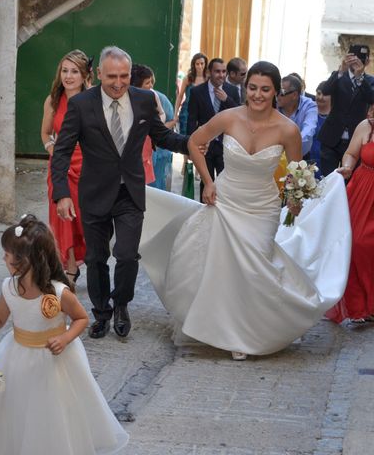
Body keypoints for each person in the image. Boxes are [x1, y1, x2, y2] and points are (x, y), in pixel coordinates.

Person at [139, 61, 351, 361]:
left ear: (276, 92)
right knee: (224, 266)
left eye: (265, 89)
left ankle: (251, 331)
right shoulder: (228, 117)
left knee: (253, 266)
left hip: (262, 208)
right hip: (226, 199)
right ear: (245, 87)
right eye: (252, 88)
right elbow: (195, 142)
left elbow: (295, 171)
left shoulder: (287, 129)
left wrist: (294, 197)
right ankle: (225, 330)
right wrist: (208, 182)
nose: (257, 95)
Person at [51, 46, 191, 340]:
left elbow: (162, 136)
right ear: (99, 74)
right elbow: (62, 151)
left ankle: (122, 305)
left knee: (127, 255)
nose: (118, 83)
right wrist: (62, 193)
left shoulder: (143, 100)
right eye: (111, 76)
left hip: (130, 193)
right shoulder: (82, 104)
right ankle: (101, 313)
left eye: (124, 76)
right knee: (96, 258)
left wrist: (192, 144)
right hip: (94, 193)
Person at [0, 215, 129, 455]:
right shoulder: (9, 287)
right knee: (20, 411)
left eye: (7, 254)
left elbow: (81, 318)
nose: (3, 257)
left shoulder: (58, 292)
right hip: (17, 359)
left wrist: (64, 338)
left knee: (52, 414)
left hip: (53, 364)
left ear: (25, 261)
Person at [41, 50, 91, 284]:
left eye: (74, 71)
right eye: (64, 70)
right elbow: (45, 133)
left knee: (83, 218)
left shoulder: (94, 100)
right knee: (64, 218)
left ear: (84, 76)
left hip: (88, 166)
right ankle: (70, 267)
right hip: (61, 168)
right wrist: (54, 151)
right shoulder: (52, 100)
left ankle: (86, 259)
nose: (68, 76)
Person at [326, 118, 374, 324]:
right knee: (357, 244)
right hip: (364, 191)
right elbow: (352, 153)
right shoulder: (367, 126)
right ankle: (360, 305)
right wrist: (347, 166)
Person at [187, 57, 241, 197]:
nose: (221, 75)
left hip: (226, 146)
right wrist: (188, 147)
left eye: (224, 72)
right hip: (205, 147)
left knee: (226, 185)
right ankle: (204, 214)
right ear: (209, 72)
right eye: (217, 71)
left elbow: (241, 115)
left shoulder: (232, 91)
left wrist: (226, 100)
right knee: (206, 183)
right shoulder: (197, 92)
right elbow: (192, 120)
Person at [318, 45, 374, 176]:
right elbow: (325, 90)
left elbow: (371, 98)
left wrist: (360, 77)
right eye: (353, 58)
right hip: (331, 137)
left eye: (360, 59)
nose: (356, 63)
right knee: (328, 179)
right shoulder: (338, 76)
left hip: (354, 140)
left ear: (367, 62)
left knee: (348, 180)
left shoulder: (370, 81)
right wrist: (341, 70)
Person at [130, 63, 173, 188]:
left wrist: (153, 126)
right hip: (134, 151)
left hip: (151, 151)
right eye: (147, 83)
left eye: (151, 82)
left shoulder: (156, 96)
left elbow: (167, 117)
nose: (151, 86)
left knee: (153, 188)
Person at [175, 53, 208, 199]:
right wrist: (175, 114)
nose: (200, 66)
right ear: (193, 65)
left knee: (201, 139)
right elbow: (180, 95)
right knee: (186, 137)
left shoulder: (208, 78)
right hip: (187, 111)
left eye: (202, 63)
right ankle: (186, 161)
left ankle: (198, 168)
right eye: (197, 64)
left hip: (201, 113)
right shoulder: (189, 78)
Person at [277, 74, 318, 159]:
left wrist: (289, 146)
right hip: (275, 154)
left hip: (301, 156)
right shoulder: (273, 104)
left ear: (295, 95)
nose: (277, 96)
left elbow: (309, 130)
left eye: (281, 93)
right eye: (277, 91)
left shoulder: (309, 106)